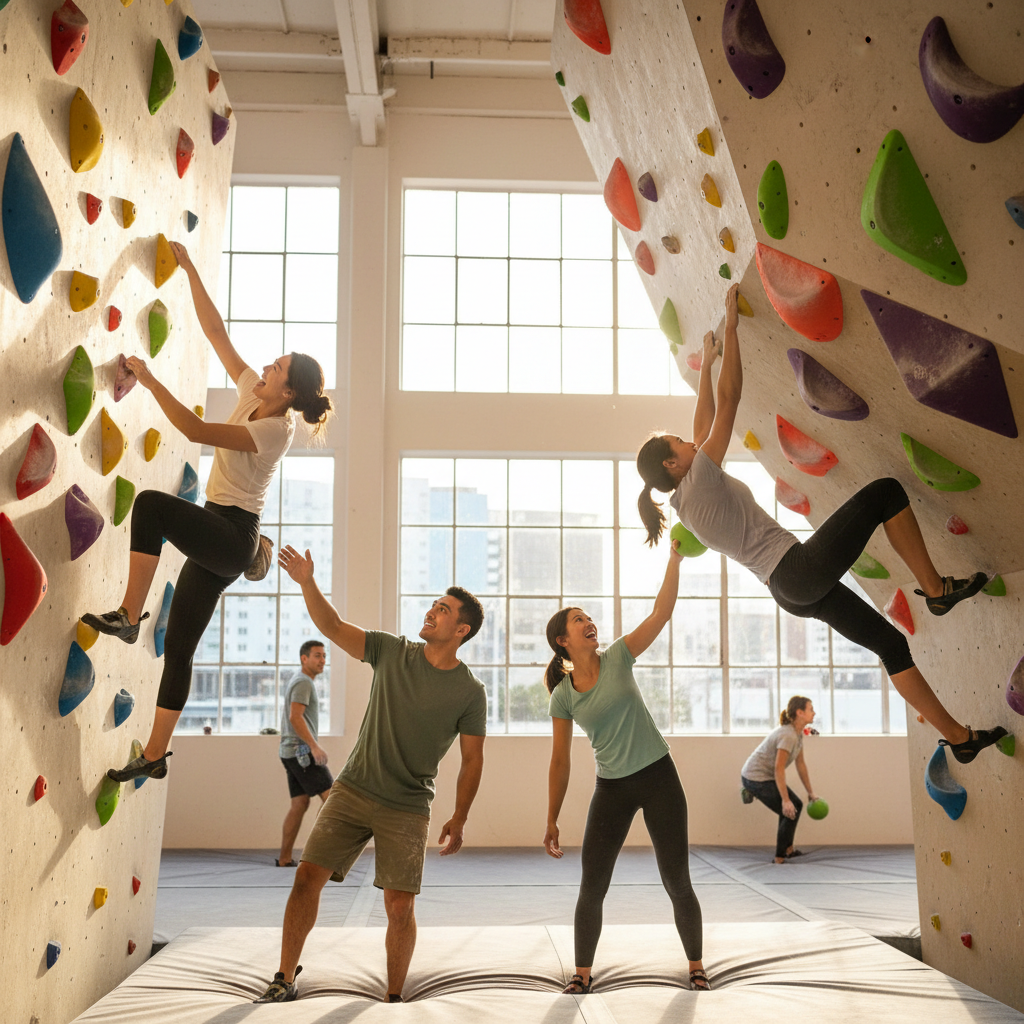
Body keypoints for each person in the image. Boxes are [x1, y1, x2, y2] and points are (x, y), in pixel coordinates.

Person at [635, 283, 1006, 766]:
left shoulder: (688, 500)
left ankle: (959, 738)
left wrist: (706, 363)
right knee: (887, 493)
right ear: (672, 465)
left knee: (891, 644)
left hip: (787, 590)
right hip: (795, 570)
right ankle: (935, 589)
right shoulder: (700, 478)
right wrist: (730, 329)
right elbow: (728, 403)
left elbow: (702, 423)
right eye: (678, 444)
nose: (689, 442)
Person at [83, 241, 334, 783]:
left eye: (278, 365)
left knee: (150, 507)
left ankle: (128, 616)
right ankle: (153, 755)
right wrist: (190, 267)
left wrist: (148, 379)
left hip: (233, 535)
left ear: (288, 390)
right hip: (221, 536)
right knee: (178, 650)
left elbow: (196, 432)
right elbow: (216, 331)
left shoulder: (274, 428)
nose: (267, 363)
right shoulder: (254, 391)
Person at [254, 545, 486, 1004]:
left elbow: (473, 760)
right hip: (353, 790)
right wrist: (306, 581)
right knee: (306, 879)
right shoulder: (392, 650)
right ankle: (284, 975)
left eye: (442, 609)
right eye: (433, 604)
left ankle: (395, 997)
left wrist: (459, 817)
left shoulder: (470, 691)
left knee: (399, 906)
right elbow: (333, 626)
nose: (431, 611)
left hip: (408, 806)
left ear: (460, 629)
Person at [543, 540, 710, 994]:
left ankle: (696, 966)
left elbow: (660, 613)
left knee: (676, 878)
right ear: (563, 640)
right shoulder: (563, 695)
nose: (589, 623)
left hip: (658, 777)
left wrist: (674, 560)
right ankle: (581, 975)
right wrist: (552, 818)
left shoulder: (618, 656)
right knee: (592, 885)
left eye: (588, 618)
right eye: (579, 620)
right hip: (611, 788)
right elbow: (560, 762)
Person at [276, 639, 333, 868]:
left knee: (299, 804)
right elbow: (295, 717)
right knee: (333, 800)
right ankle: (316, 858)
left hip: (290, 752)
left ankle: (285, 858)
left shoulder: (301, 681)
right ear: (304, 658)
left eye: (324, 656)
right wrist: (314, 746)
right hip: (301, 753)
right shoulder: (303, 683)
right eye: (317, 655)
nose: (322, 660)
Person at [741, 696, 818, 863]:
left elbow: (801, 765)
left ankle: (788, 850)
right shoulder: (788, 735)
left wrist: (810, 793)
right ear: (800, 712)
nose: (814, 713)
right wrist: (785, 800)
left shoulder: (797, 734)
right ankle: (779, 856)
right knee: (790, 809)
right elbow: (778, 768)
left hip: (766, 776)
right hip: (755, 777)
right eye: (810, 709)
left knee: (795, 805)